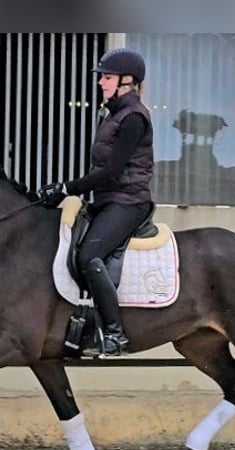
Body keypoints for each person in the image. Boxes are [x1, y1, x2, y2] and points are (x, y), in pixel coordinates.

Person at [37, 47, 154, 358]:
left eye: (107, 77)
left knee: (90, 255)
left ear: (127, 81)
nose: (101, 82)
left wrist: (66, 187)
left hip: (129, 202)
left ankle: (116, 336)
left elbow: (112, 170)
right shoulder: (113, 115)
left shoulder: (134, 118)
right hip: (109, 200)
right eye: (102, 77)